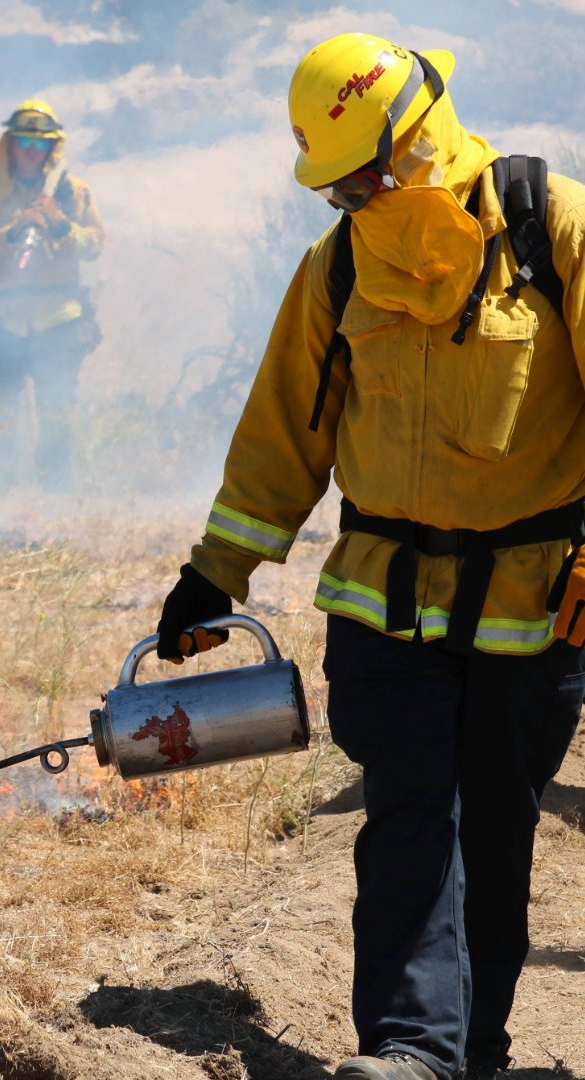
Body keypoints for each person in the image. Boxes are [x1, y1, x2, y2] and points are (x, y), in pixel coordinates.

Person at [154, 32, 585, 1080]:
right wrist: (216, 570)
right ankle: (411, 1048)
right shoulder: (337, 265)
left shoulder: (549, 225)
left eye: (361, 173)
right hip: (386, 605)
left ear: (415, 138)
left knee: (495, 825)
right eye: (334, 184)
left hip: (534, 602)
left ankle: (469, 1049)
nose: (349, 195)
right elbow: (284, 435)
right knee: (407, 812)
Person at [0, 98, 104, 491]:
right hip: (4, 321)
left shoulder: (73, 193)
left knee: (58, 411)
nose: (30, 152)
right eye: (23, 142)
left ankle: (55, 496)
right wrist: (11, 232)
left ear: (52, 149)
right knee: (0, 413)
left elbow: (94, 245)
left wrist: (61, 226)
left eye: (40, 145)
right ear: (9, 144)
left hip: (59, 319)